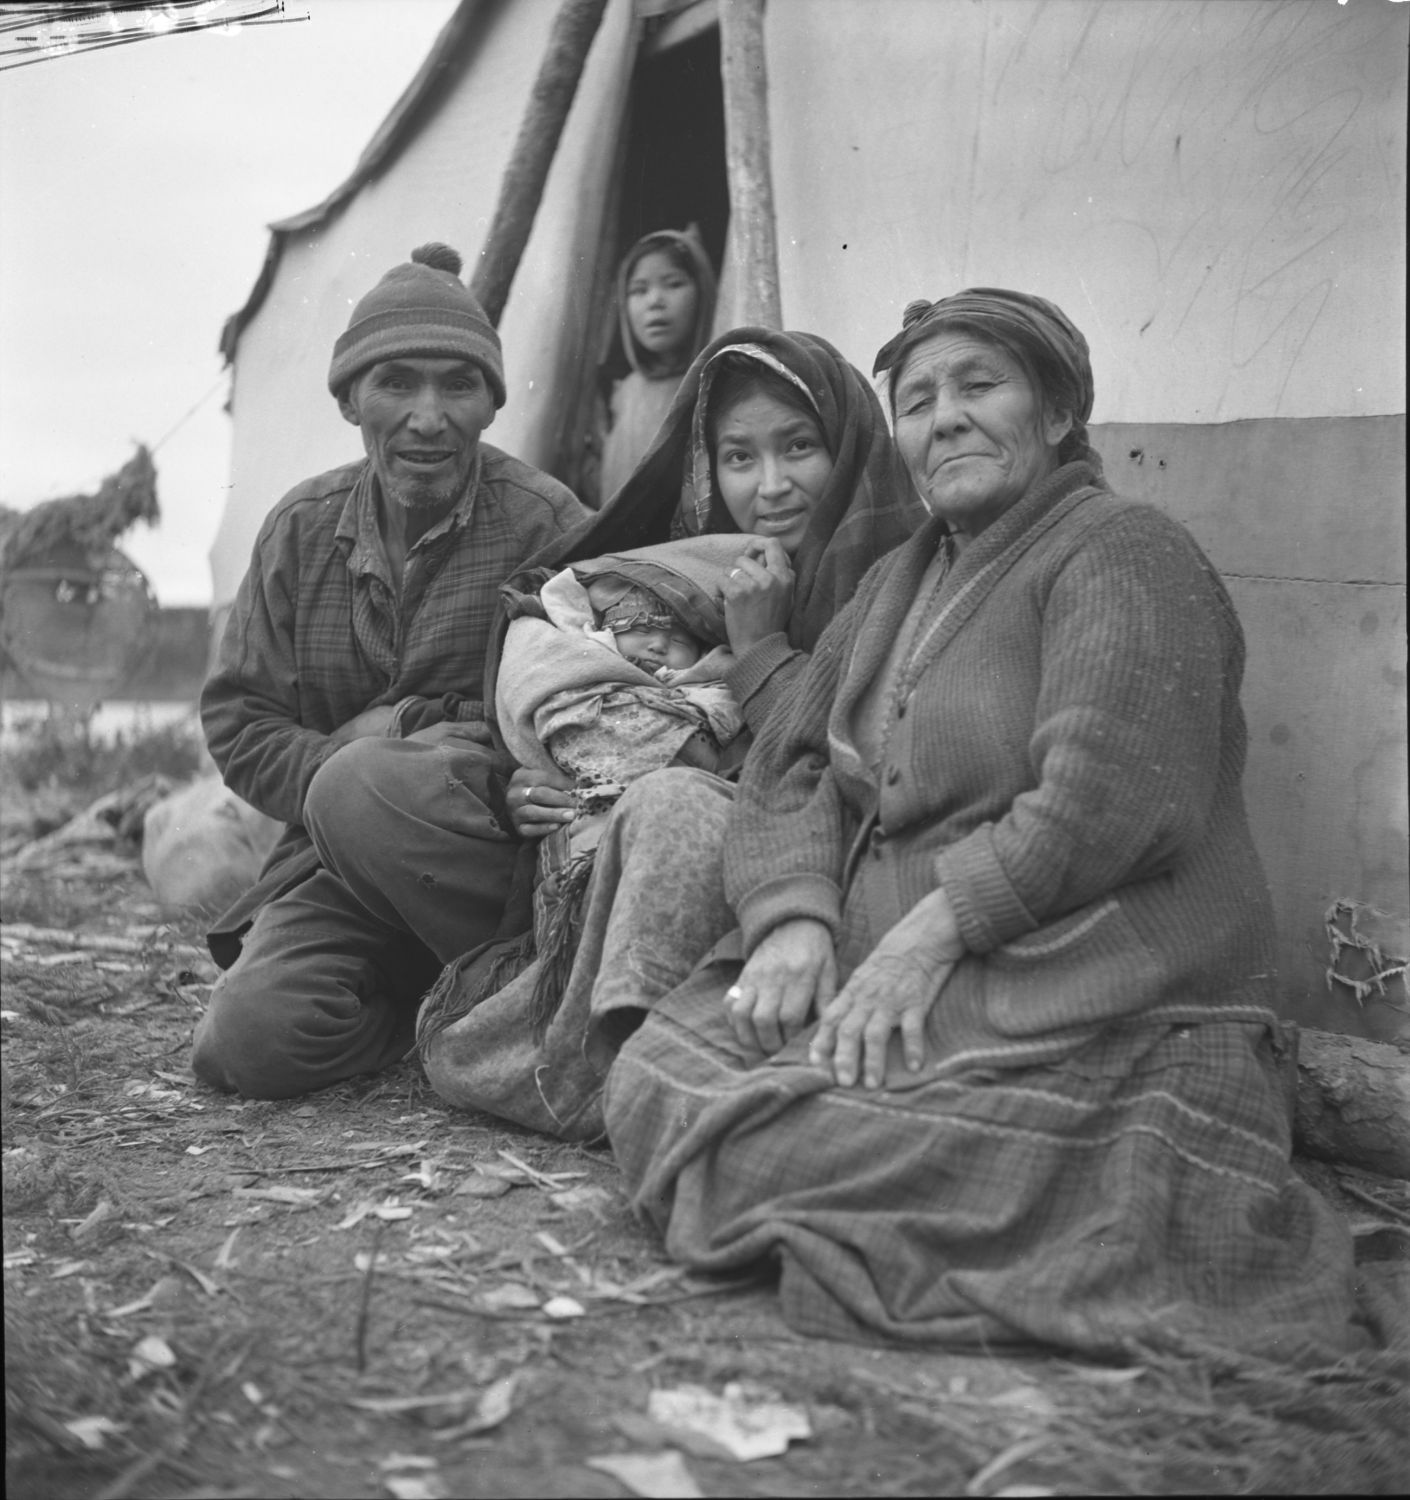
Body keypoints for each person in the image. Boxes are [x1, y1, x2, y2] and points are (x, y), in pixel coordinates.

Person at [600, 289, 1364, 1361]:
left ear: (1055, 413)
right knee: (652, 1080)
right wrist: (792, 917)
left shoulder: (1123, 550)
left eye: (977, 386)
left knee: (783, 1146)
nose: (943, 417)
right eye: (916, 400)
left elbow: (1113, 795)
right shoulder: (891, 584)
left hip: (1086, 973)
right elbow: (788, 763)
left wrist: (933, 934)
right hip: (895, 960)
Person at [310, 328, 924, 1137]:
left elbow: (850, 774)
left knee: (669, 809)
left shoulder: (903, 573)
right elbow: (585, 695)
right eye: (739, 458)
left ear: (846, 446)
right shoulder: (690, 570)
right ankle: (583, 1025)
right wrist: (521, 783)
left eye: (800, 447)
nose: (771, 486)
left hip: (793, 876)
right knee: (363, 786)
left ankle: (612, 1063)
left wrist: (761, 650)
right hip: (611, 857)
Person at [191, 242, 587, 1100]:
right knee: (248, 1042)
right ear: (348, 400)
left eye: (458, 384)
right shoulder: (300, 530)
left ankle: (516, 978)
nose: (428, 417)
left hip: (495, 865)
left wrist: (416, 753)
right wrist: (363, 756)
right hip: (337, 866)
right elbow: (240, 721)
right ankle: (429, 1011)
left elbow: (598, 702)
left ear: (491, 401)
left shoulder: (549, 527)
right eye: (396, 383)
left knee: (356, 783)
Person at [579, 227, 717, 506]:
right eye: (638, 290)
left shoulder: (716, 384)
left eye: (674, 283)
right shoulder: (618, 396)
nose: (655, 301)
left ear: (703, 293)